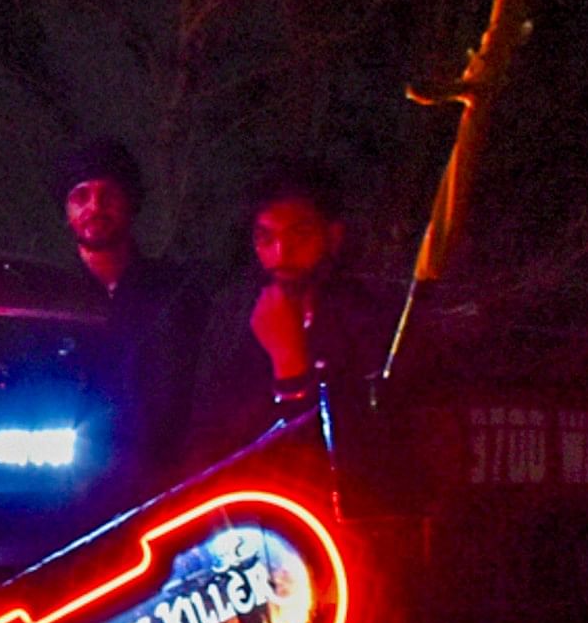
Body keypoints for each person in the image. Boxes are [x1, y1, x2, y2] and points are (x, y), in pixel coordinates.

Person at [190, 161, 396, 457]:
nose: (281, 254)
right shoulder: (234, 316)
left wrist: (291, 364)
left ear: (333, 236)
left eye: (299, 234)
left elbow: (363, 448)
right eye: (266, 238)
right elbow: (207, 432)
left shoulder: (366, 320)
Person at [55, 137, 212, 490]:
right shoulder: (47, 299)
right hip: (67, 487)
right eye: (81, 196)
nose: (95, 207)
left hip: (166, 481)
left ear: (131, 203)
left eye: (108, 195)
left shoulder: (177, 294)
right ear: (66, 211)